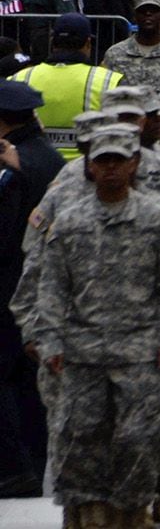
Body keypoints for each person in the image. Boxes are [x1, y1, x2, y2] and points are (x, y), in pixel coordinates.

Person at [35, 124, 160, 528]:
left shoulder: (158, 217)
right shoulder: (69, 221)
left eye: (118, 160)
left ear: (134, 163)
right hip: (81, 352)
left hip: (140, 351)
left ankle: (132, 511)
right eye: (101, 160)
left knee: (137, 438)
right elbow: (53, 286)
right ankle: (87, 513)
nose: (109, 168)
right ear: (89, 165)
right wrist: (49, 341)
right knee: (80, 437)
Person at [0, 80, 63, 497]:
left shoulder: (13, 167)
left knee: (5, 378)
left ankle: (14, 467)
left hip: (9, 286)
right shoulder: (49, 158)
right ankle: (33, 466)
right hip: (39, 286)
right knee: (28, 381)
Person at [10, 13, 123, 161]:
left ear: (52, 42)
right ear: (88, 43)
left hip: (31, 168)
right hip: (88, 169)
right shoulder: (109, 81)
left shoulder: (19, 78)